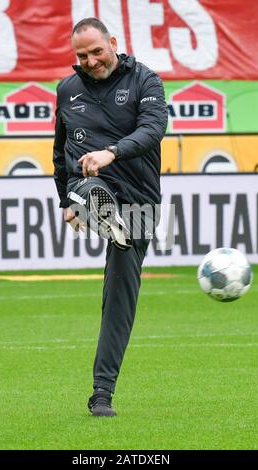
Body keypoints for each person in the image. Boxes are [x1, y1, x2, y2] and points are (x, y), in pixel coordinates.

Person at [53, 17, 168, 417]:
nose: (90, 60)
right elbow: (60, 154)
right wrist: (65, 203)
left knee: (118, 303)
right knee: (85, 183)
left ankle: (102, 393)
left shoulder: (145, 81)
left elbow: (154, 129)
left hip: (140, 203)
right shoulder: (67, 90)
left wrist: (112, 152)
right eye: (81, 55)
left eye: (96, 51)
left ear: (113, 43)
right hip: (90, 188)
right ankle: (97, 208)